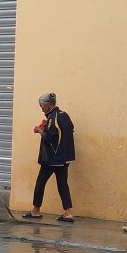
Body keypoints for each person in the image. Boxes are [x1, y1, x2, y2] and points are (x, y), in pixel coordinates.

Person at [24, 92, 76, 222]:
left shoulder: (53, 117)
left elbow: (48, 138)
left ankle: (35, 210)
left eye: (42, 106)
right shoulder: (65, 115)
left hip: (52, 159)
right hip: (64, 158)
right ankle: (68, 212)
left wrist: (39, 130)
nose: (41, 109)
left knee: (40, 182)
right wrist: (46, 128)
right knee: (63, 184)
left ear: (47, 106)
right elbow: (69, 130)